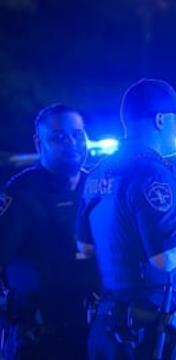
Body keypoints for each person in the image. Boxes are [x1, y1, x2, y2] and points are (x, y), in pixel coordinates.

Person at [79, 78, 176, 359]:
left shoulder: (98, 173)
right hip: (148, 332)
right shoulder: (152, 174)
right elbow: (165, 257)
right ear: (160, 120)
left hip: (112, 323)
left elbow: (85, 248)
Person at [0, 104, 97, 359]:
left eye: (77, 134)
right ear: (38, 142)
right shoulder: (21, 194)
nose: (72, 143)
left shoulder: (98, 187)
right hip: (39, 339)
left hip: (95, 336)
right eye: (59, 137)